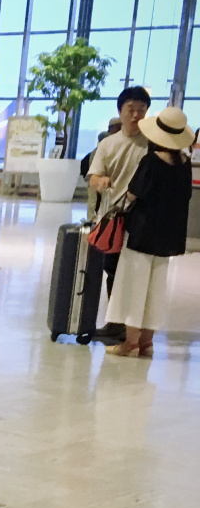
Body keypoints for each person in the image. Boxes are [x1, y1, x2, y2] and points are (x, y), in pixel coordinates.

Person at [104, 106, 194, 359]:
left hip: (142, 233)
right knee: (156, 288)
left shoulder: (151, 161)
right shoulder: (184, 164)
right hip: (169, 236)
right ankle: (147, 342)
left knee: (134, 284)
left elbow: (133, 194)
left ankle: (130, 343)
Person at [87, 85, 151, 343]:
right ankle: (116, 323)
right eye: (130, 109)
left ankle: (134, 325)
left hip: (142, 217)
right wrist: (101, 181)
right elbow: (93, 177)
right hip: (114, 217)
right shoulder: (108, 144)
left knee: (137, 271)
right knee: (112, 269)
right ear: (120, 111)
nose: (135, 115)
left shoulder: (153, 144)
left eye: (141, 110)